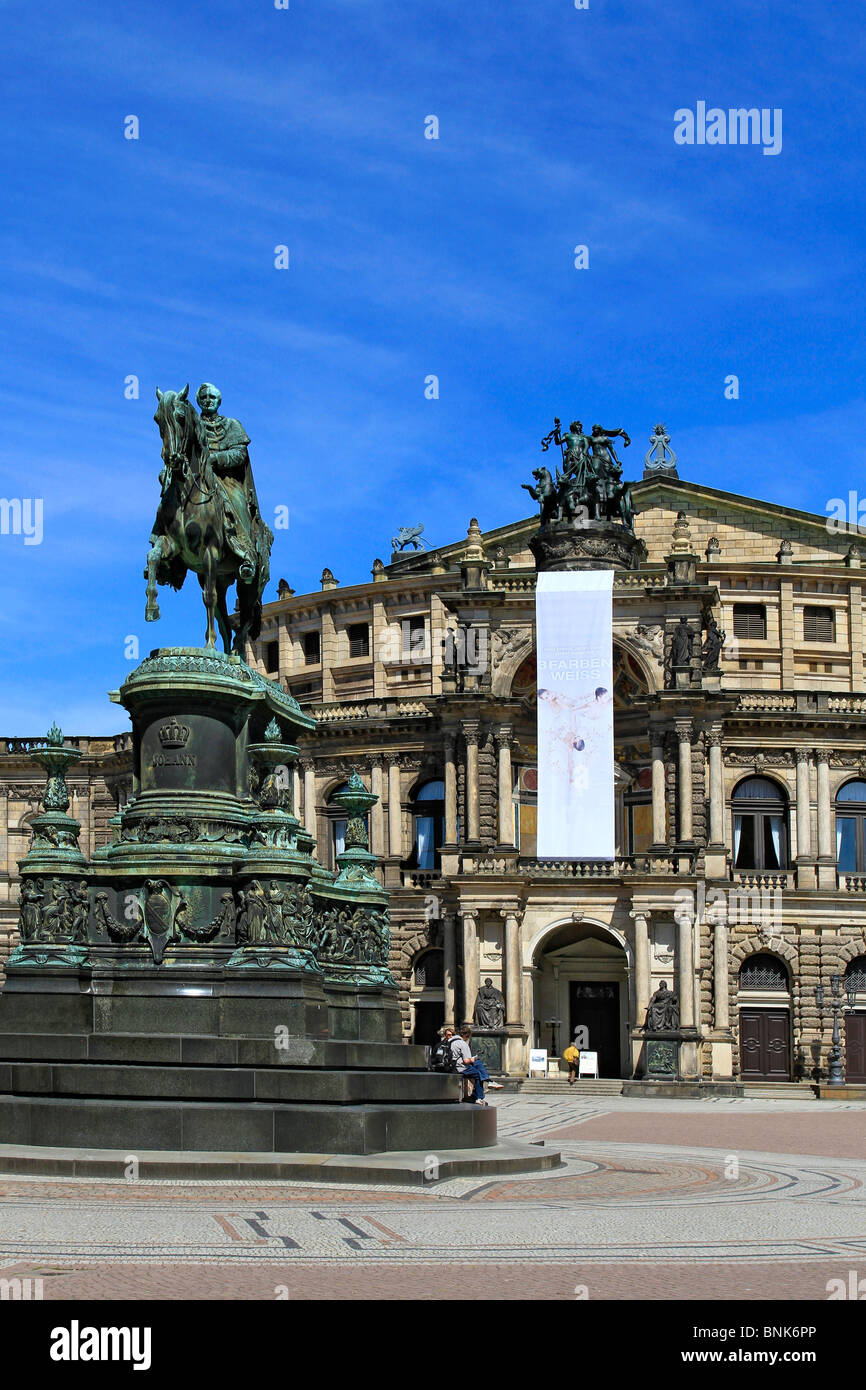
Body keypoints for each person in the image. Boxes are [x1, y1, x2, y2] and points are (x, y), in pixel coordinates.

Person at [449, 1026, 503, 1104]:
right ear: (467, 1036)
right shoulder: (462, 1043)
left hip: (450, 1066)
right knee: (478, 1074)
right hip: (459, 1068)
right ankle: (480, 1097)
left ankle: (487, 1084)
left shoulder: (450, 1040)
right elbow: (466, 1061)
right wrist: (473, 1059)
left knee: (478, 1063)